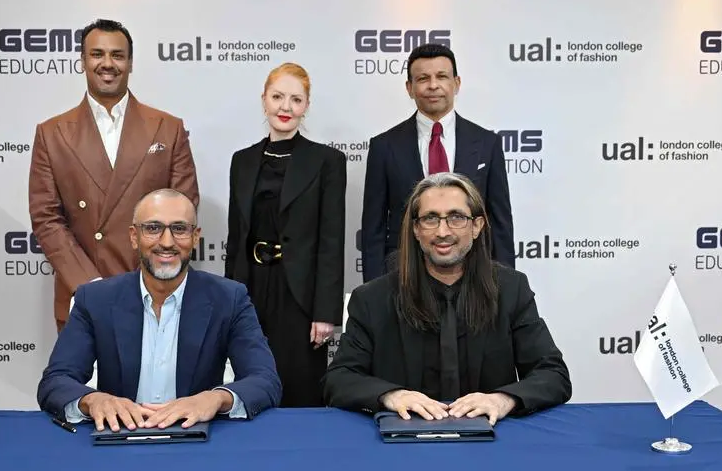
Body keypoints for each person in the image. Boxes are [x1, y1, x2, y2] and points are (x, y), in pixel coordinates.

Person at [325, 173, 570, 425]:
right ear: (416, 229)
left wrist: (502, 400)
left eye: (456, 218)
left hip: (492, 438)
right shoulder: (372, 298)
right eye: (430, 218)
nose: (442, 231)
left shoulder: (511, 289)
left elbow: (553, 374)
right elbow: (339, 379)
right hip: (402, 439)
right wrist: (391, 396)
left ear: (477, 226)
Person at [37, 189, 281, 430]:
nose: (166, 242)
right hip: (119, 438)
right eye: (153, 228)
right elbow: (56, 381)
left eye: (179, 229)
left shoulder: (229, 298)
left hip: (196, 439)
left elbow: (265, 379)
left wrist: (215, 398)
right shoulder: (95, 299)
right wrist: (93, 400)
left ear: (195, 237)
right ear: (134, 236)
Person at [29, 18, 199, 332]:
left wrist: (144, 284)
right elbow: (46, 218)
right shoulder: (51, 134)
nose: (107, 64)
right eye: (97, 54)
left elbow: (182, 212)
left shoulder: (169, 128)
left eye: (117, 55)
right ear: (82, 61)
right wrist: (91, 287)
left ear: (130, 63)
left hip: (154, 297)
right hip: (81, 297)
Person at [224, 63, 346, 407]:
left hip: (300, 296)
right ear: (264, 99)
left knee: (299, 387)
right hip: (250, 288)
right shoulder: (242, 161)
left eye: (296, 99)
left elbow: (332, 241)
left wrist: (326, 312)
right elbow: (236, 237)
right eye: (278, 97)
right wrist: (228, 302)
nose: (285, 107)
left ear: (306, 105)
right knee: (250, 384)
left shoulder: (327, 161)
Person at [360, 43, 514, 282]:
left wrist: (506, 288)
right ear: (409, 88)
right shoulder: (384, 146)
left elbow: (500, 225)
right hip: (404, 276)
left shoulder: (487, 143)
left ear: (456, 83)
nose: (433, 85)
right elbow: (373, 229)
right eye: (423, 78)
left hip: (474, 276)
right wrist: (373, 291)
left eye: (441, 76)